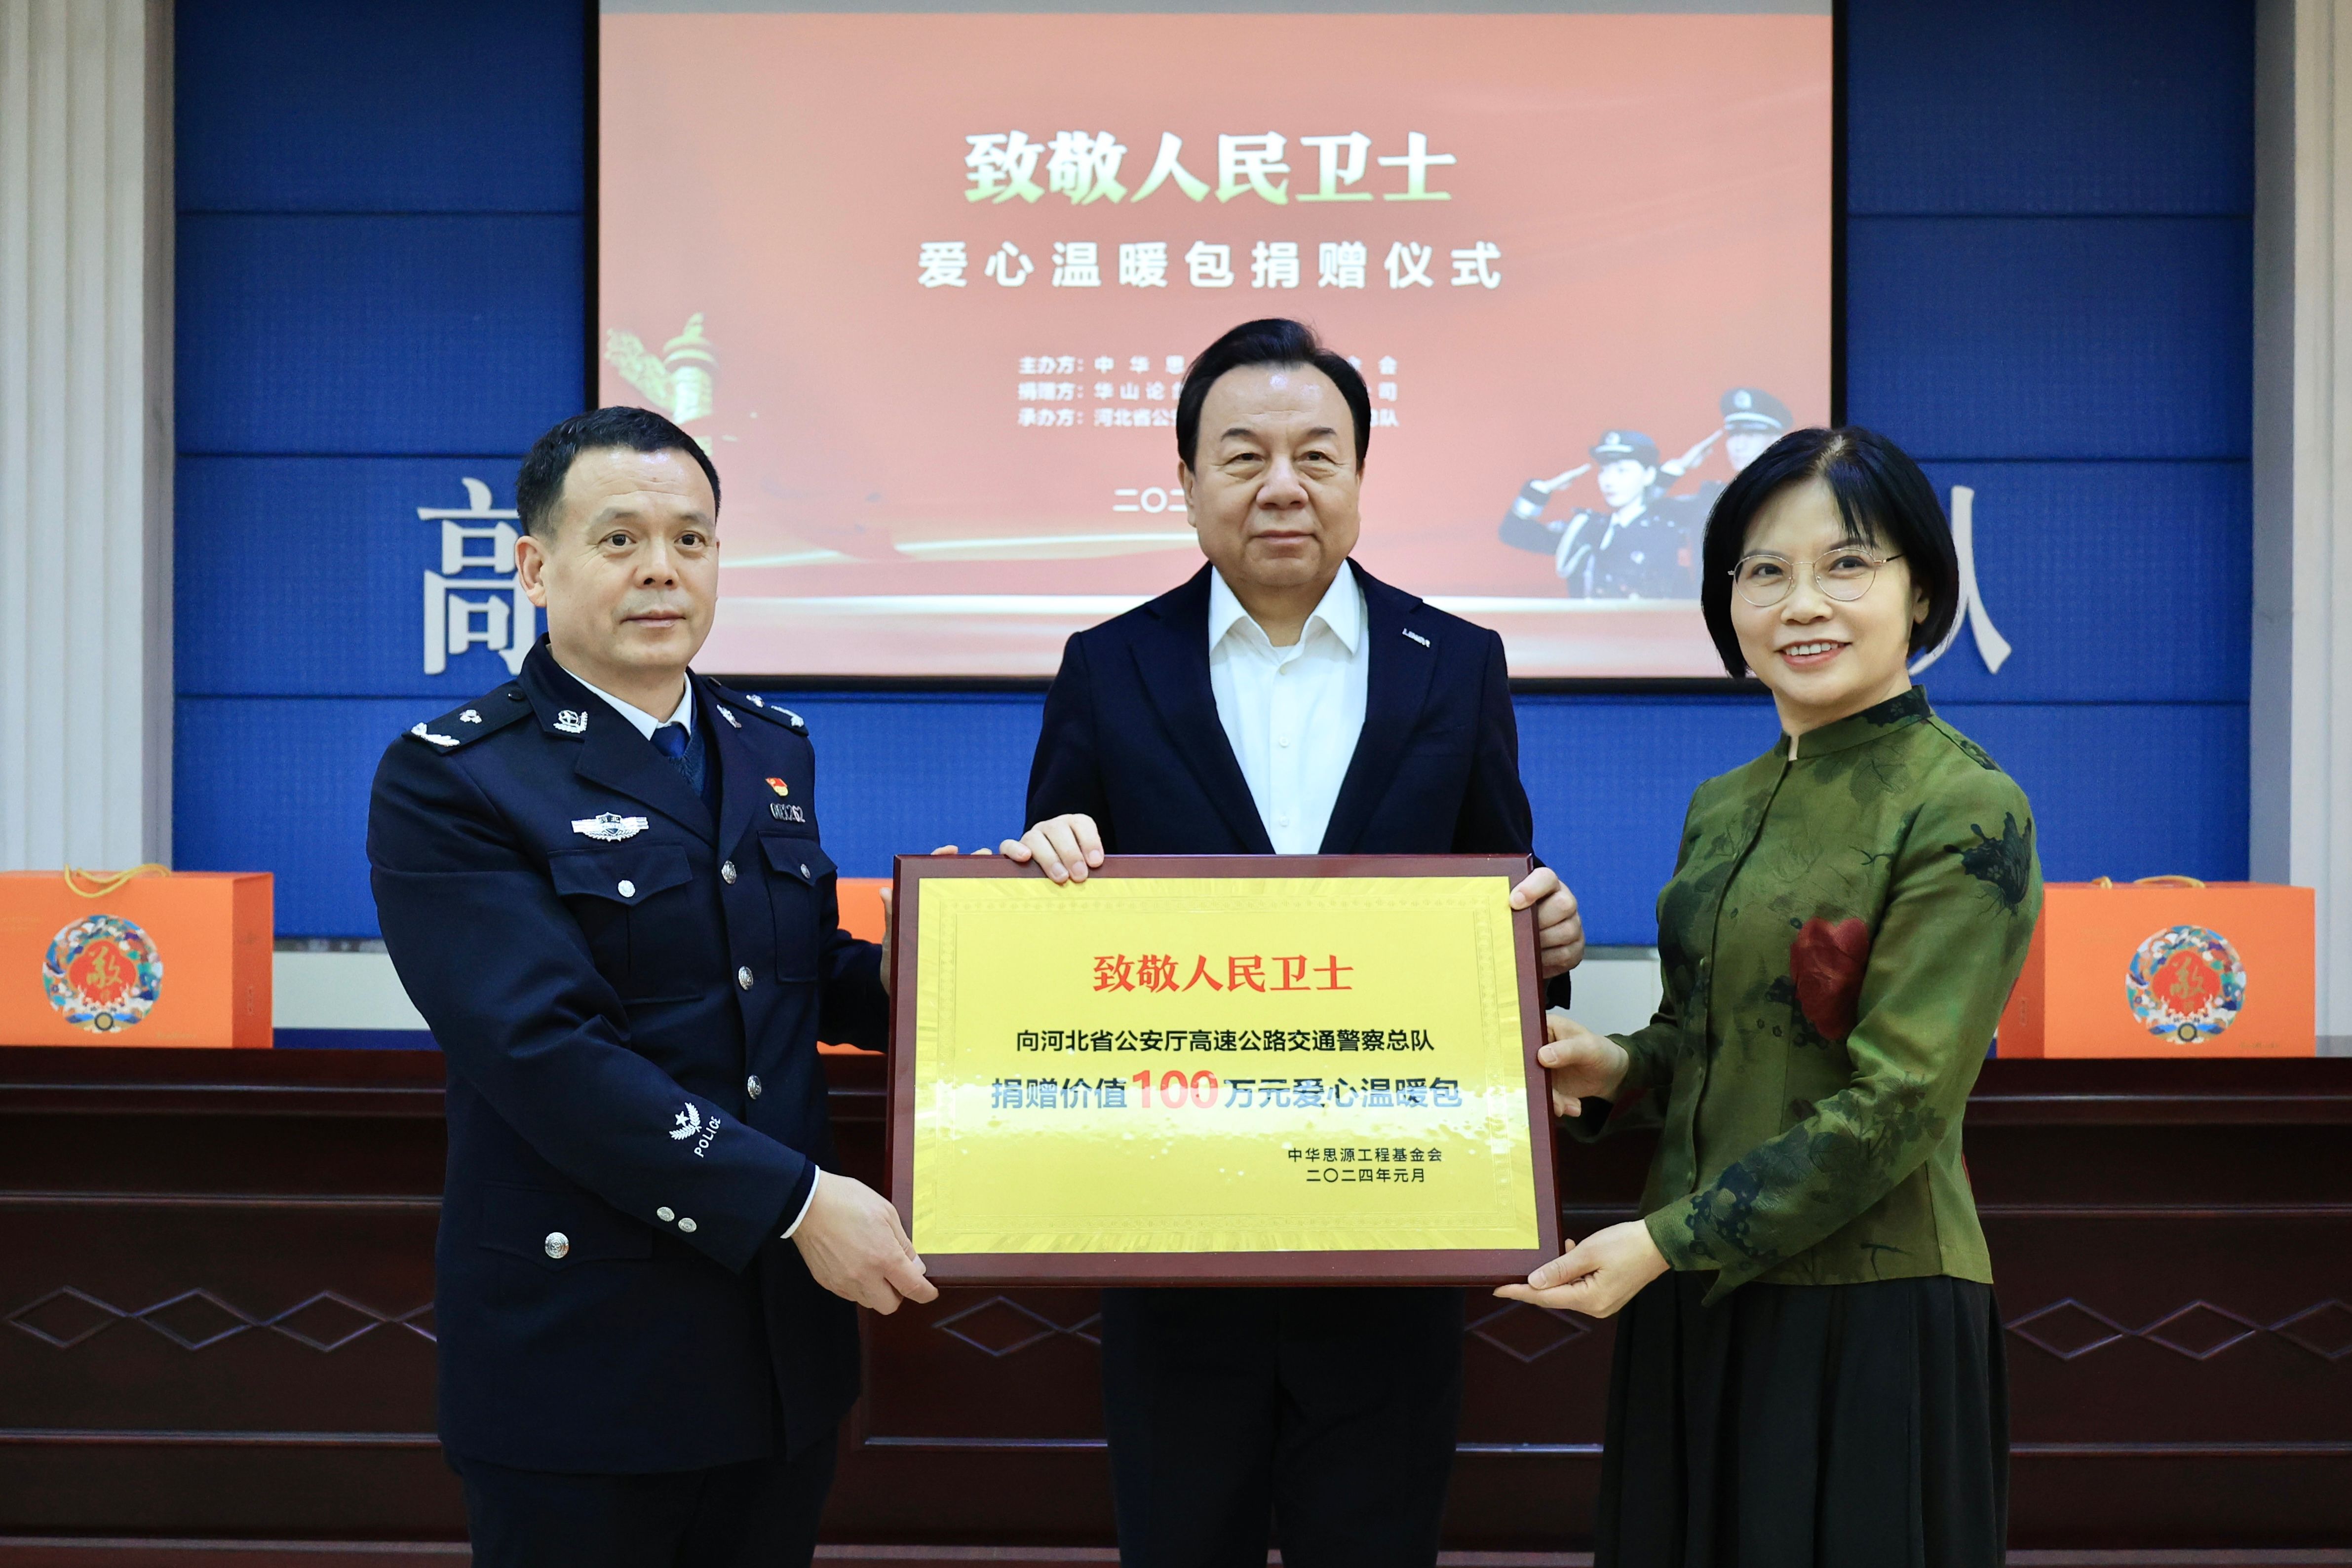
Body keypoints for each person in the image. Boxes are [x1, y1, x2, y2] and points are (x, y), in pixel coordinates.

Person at [1008, 318, 1587, 1568]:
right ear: (1186, 483)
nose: (1282, 485)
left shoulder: (1455, 664)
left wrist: (1547, 936)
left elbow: (1504, 897)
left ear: (1359, 477)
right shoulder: (1107, 667)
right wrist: (1039, 866)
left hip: (1389, 1235)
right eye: (1243, 456)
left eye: (1316, 455)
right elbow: (1058, 918)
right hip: (1171, 1234)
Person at [368, 407, 940, 1568]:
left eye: (690, 538)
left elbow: (791, 975)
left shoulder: (768, 745)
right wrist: (796, 1199)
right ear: (536, 567)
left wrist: (969, 958)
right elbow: (547, 1055)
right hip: (585, 1361)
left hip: (775, 1351)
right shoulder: (456, 780)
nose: (661, 569)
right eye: (619, 538)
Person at [1499, 425, 2040, 1568]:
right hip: (1691, 1290)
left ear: (1920, 590)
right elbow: (1709, 1036)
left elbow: (1899, 1101)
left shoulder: (1962, 801)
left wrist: (1665, 1239)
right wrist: (1617, 1068)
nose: (1802, 603)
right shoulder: (1723, 801)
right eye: (1764, 571)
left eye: (1847, 564)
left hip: (1866, 1305)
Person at [1498, 429, 1693, 598]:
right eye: (1604, 471)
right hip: (1585, 630)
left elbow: (1681, 599)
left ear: (1648, 475)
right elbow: (1513, 532)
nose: (1609, 481)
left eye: (1622, 471)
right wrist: (1540, 492)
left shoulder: (1666, 533)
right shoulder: (1586, 529)